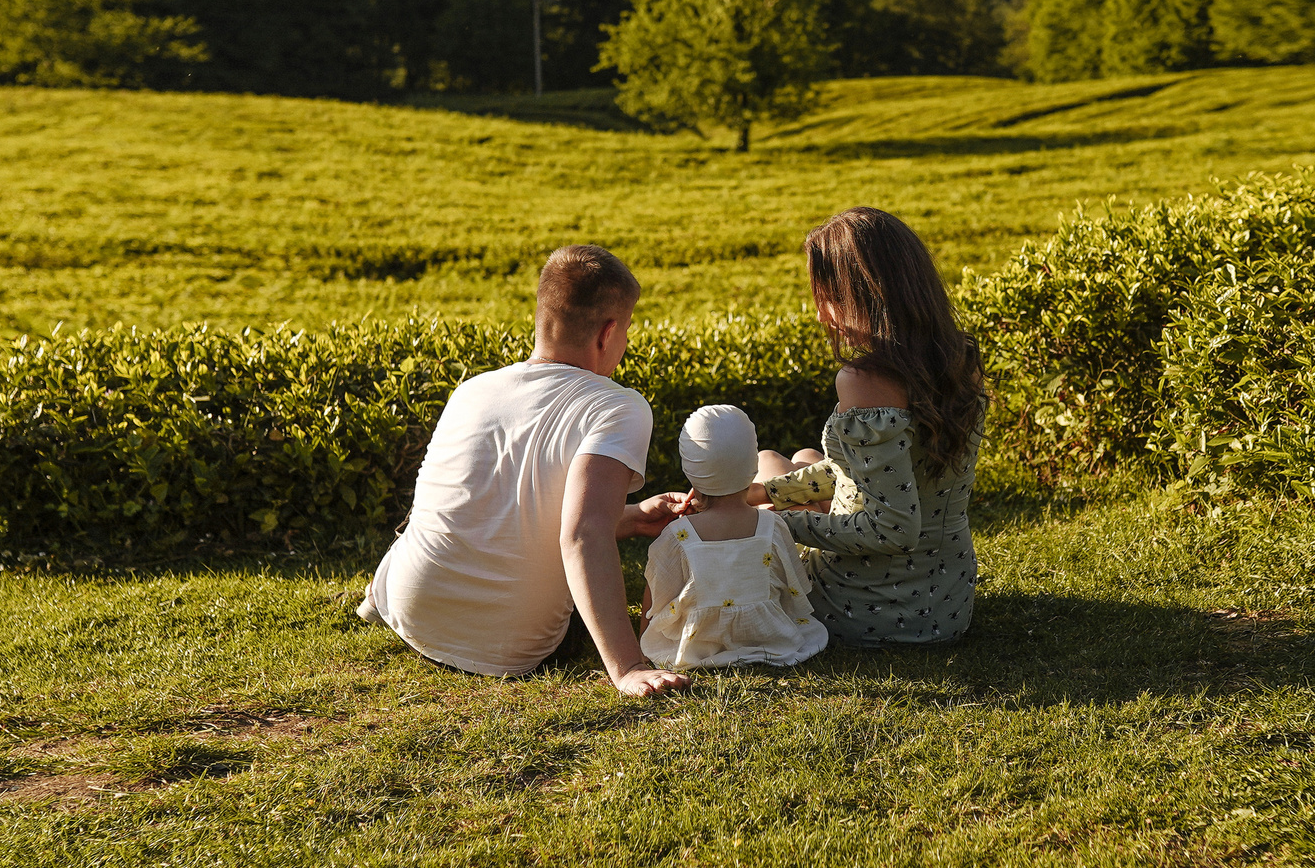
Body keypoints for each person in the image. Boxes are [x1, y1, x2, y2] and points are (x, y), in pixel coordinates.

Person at [357, 245, 692, 696]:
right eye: (627, 330)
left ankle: (376, 598)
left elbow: (509, 506)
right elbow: (584, 535)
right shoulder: (617, 406)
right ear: (608, 333)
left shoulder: (474, 390)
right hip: (509, 650)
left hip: (410, 610)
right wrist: (628, 667)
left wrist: (630, 517)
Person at [743, 207, 986, 646]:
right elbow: (866, 475)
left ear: (864, 295)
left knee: (767, 461)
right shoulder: (958, 355)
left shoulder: (865, 381)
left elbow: (892, 528)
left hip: (876, 610)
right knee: (795, 463)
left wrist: (774, 522)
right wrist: (762, 496)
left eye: (828, 298)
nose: (823, 316)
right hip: (945, 599)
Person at [639, 405, 826, 670]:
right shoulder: (772, 525)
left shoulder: (678, 535)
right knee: (809, 456)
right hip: (770, 637)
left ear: (690, 472)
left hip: (695, 646)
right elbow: (794, 588)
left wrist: (644, 645)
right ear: (753, 467)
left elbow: (656, 593)